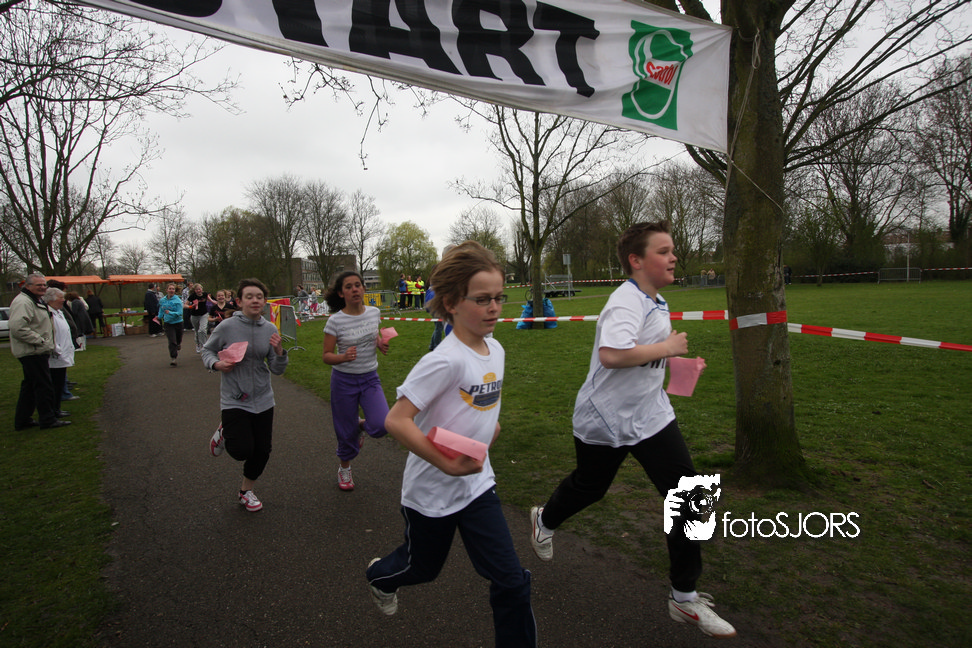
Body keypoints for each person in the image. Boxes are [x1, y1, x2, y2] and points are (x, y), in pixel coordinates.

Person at [528, 221, 735, 639]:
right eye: (664, 251)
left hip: (651, 415)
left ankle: (684, 597)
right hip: (606, 416)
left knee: (691, 494)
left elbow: (642, 353)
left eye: (672, 250)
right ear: (636, 260)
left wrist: (674, 363)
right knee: (591, 486)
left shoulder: (656, 300)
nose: (673, 257)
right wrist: (667, 348)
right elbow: (611, 354)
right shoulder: (625, 301)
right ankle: (544, 519)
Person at [366, 241, 536, 647]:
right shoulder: (443, 360)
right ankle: (379, 577)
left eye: (499, 297)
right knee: (422, 569)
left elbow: (484, 404)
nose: (494, 307)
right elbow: (396, 420)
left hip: (477, 485)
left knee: (512, 581)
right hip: (431, 492)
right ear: (451, 303)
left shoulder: (496, 348)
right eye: (482, 299)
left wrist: (488, 431)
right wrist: (446, 465)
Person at [202, 278, 288, 512]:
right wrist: (216, 364)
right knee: (241, 451)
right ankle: (225, 432)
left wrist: (280, 352)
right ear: (239, 301)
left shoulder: (270, 329)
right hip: (235, 398)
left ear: (264, 301)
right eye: (249, 297)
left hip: (263, 398)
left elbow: (277, 369)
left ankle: (245, 491)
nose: (255, 300)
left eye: (259, 297)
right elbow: (207, 351)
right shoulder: (227, 327)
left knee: (262, 451)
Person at [322, 271, 390, 491]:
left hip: (370, 377)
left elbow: (373, 335)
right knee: (344, 431)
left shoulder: (374, 312)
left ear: (363, 288)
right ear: (341, 293)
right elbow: (326, 356)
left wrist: (379, 343)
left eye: (358, 285)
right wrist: (342, 357)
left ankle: (360, 425)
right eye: (349, 287)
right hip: (344, 381)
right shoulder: (335, 321)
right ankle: (345, 468)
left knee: (381, 425)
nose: (354, 290)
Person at [9, 273, 69, 430]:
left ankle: (23, 420)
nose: (42, 287)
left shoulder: (35, 300)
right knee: (43, 386)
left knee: (30, 386)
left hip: (36, 350)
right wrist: (41, 341)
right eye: (38, 285)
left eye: (44, 285)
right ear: (28, 286)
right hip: (32, 351)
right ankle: (47, 419)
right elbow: (18, 328)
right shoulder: (23, 302)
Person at [44, 288, 75, 419]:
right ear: (51, 299)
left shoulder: (58, 312)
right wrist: (55, 348)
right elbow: (48, 333)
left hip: (63, 352)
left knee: (59, 383)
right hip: (55, 354)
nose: (63, 300)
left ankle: (56, 408)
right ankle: (53, 410)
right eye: (60, 297)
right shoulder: (47, 313)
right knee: (54, 384)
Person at [158, 283, 184, 367]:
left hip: (178, 322)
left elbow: (180, 313)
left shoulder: (178, 301)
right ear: (167, 290)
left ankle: (178, 344)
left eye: (173, 289)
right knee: (172, 341)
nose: (171, 290)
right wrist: (159, 317)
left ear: (175, 291)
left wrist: (170, 313)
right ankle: (173, 358)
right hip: (168, 323)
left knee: (178, 340)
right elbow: (161, 310)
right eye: (170, 289)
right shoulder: (162, 300)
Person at [186, 283, 211, 352]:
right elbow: (185, 305)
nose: (198, 290)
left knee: (202, 330)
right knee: (197, 331)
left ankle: (205, 345)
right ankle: (198, 344)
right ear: (194, 290)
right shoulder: (192, 296)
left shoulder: (205, 294)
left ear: (202, 289)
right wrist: (191, 306)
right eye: (197, 289)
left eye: (199, 289)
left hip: (204, 314)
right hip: (194, 315)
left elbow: (211, 300)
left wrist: (216, 303)